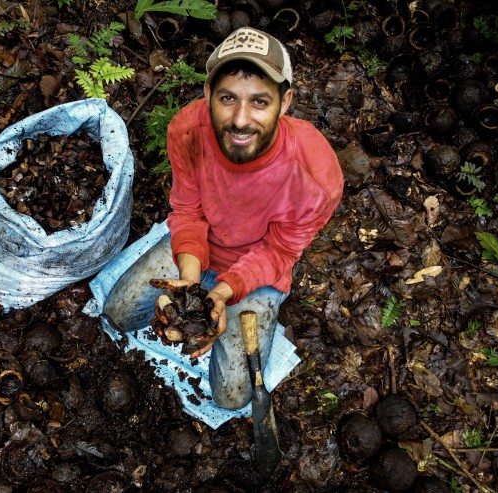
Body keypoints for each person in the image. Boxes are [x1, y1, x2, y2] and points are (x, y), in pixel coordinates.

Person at [102, 27, 343, 411]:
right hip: (198, 251)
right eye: (228, 98)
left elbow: (280, 251)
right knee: (118, 314)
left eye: (259, 102)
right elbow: (188, 211)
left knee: (232, 397)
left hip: (257, 272)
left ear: (285, 103)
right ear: (208, 95)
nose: (241, 120)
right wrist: (191, 287)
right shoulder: (188, 130)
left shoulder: (315, 175)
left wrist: (222, 293)